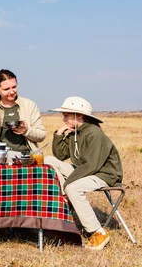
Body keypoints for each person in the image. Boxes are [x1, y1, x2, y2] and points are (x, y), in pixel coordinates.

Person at [45, 96, 123, 251]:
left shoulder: (94, 134)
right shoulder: (75, 133)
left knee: (73, 188)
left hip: (104, 174)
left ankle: (97, 232)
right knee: (49, 160)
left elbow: (92, 166)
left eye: (66, 115)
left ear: (78, 115)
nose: (63, 119)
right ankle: (66, 200)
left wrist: (68, 184)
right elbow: (60, 155)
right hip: (88, 171)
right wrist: (59, 135)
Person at [0, 69, 46, 153]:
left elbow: (41, 136)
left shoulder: (29, 105)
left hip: (26, 157)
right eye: (6, 89)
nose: (11, 92)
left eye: (14, 87)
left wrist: (26, 130)